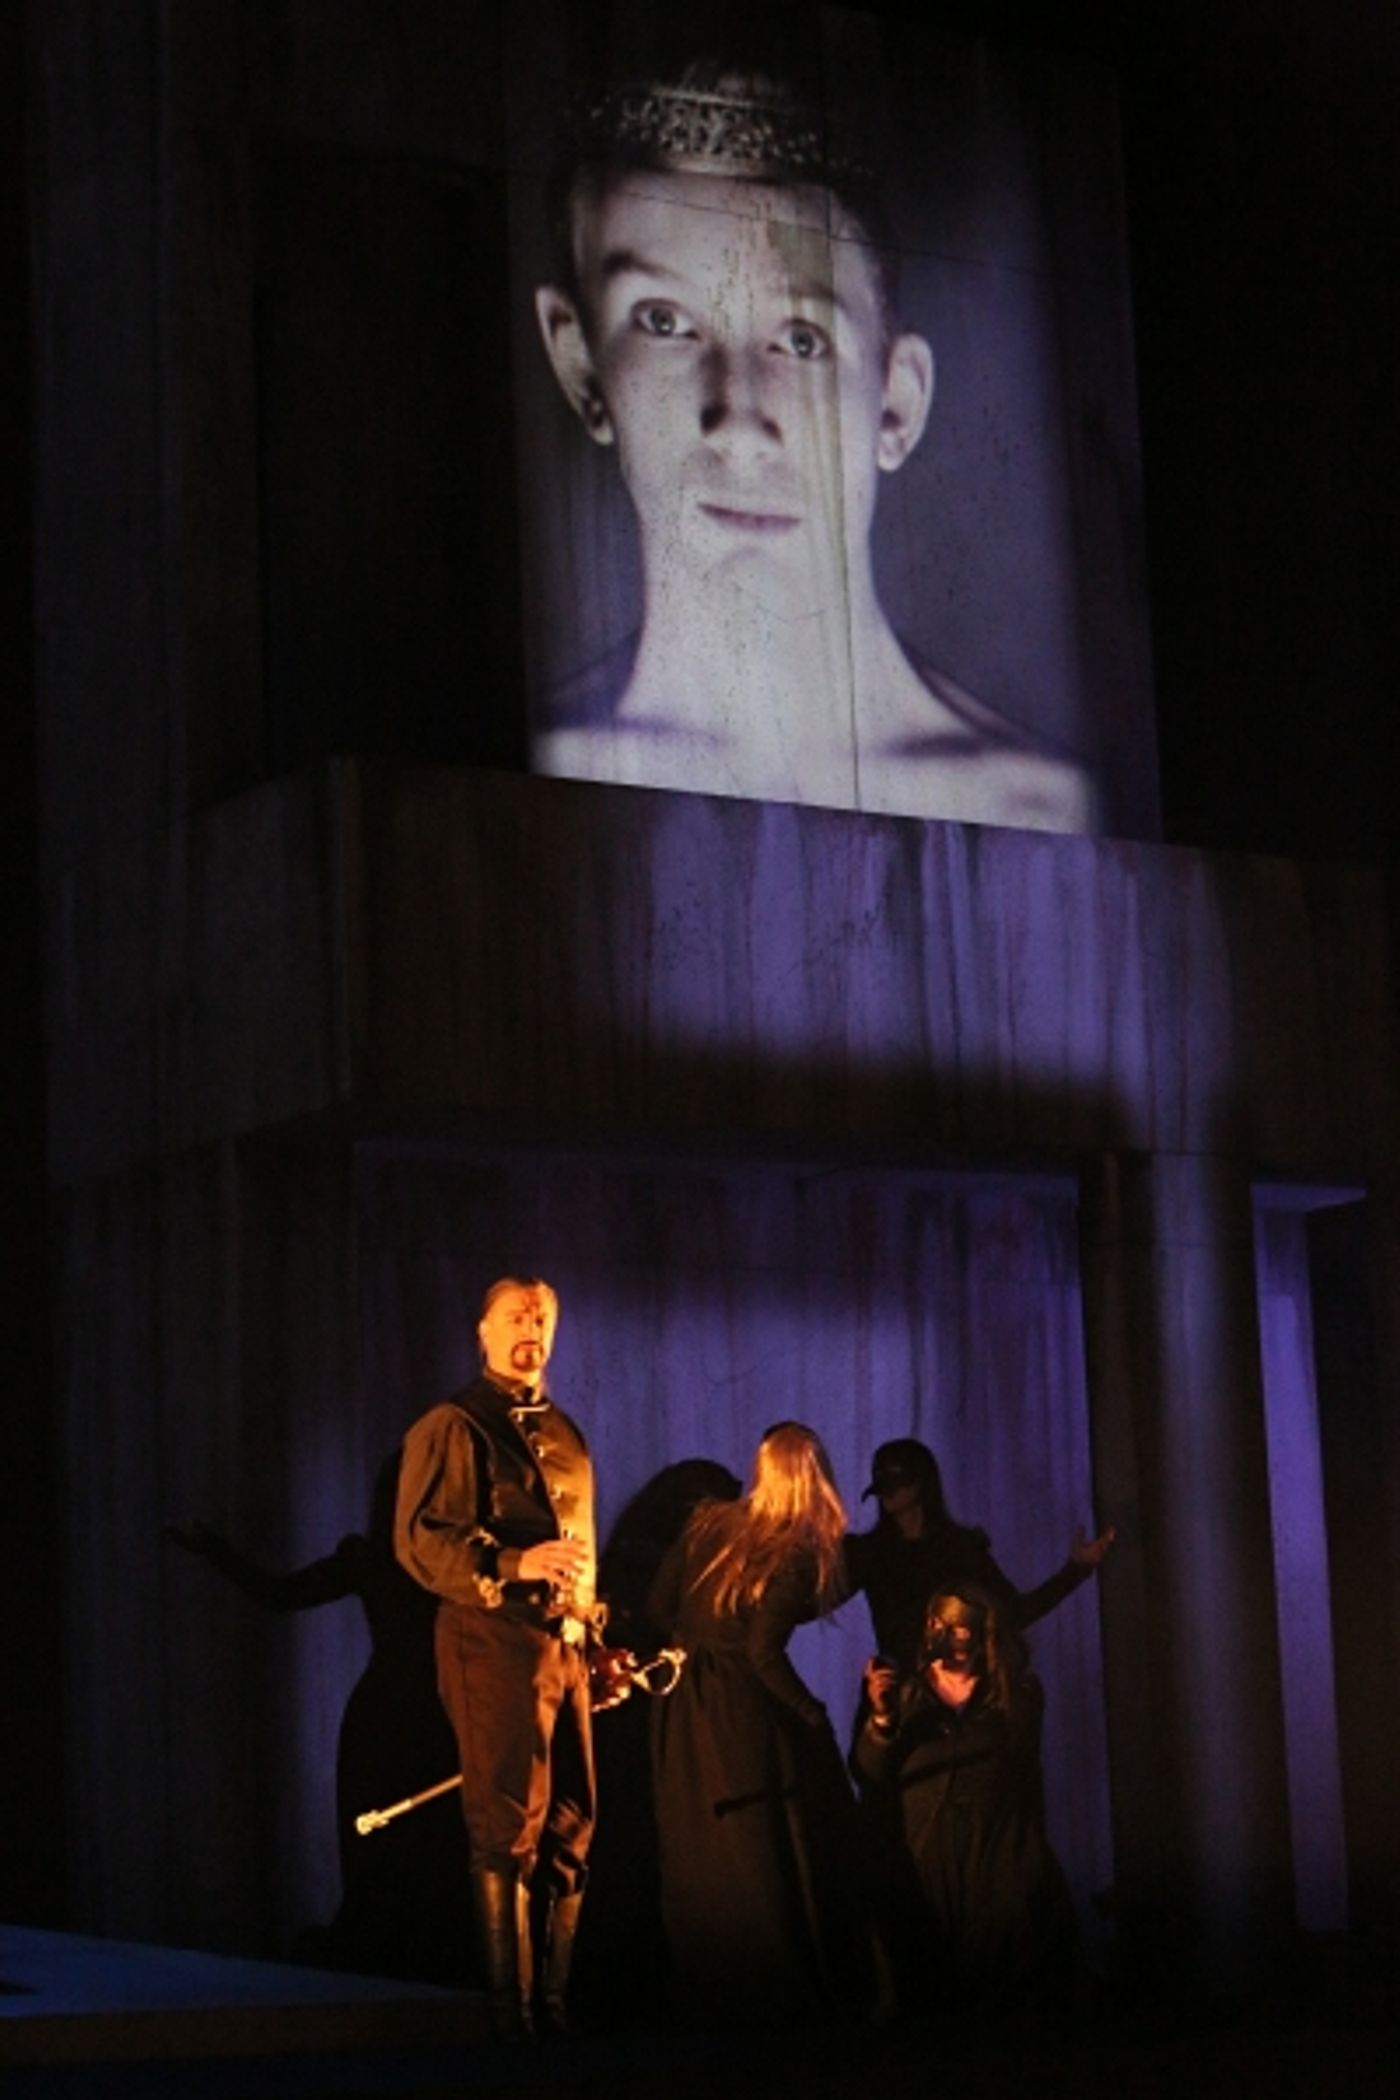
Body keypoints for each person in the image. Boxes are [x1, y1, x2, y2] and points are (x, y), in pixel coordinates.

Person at [530, 58, 1098, 832]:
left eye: (801, 339)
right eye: (664, 322)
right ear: (579, 364)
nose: (736, 419)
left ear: (898, 401)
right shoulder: (535, 786)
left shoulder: (1042, 809)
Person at [394, 1275, 597, 2038]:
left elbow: (579, 1551)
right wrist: (514, 1565)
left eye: (543, 1316)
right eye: (517, 1315)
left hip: (564, 1647)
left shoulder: (567, 1432)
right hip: (490, 1640)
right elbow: (421, 1539)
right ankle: (508, 2017)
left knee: (573, 1821)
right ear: (482, 1329)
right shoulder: (454, 1425)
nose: (532, 1327)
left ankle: (554, 2007)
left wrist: (590, 1634)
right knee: (507, 1824)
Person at [646, 1421, 871, 2028]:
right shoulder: (792, 1550)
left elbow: (660, 1607)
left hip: (681, 1699)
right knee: (761, 1842)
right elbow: (763, 1652)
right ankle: (775, 1989)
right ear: (814, 1475)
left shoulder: (707, 1525)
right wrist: (811, 1714)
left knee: (700, 1843)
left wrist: (693, 1646)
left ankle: (706, 1986)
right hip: (738, 1706)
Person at [852, 1585, 1080, 2033]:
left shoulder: (1015, 1697)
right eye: (936, 1624)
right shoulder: (904, 1695)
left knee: (1003, 1976)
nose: (943, 1636)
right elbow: (867, 1772)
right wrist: (882, 1721)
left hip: (993, 1852)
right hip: (925, 1851)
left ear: (980, 1635)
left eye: (955, 1627)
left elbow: (1023, 1773)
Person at [846, 1437, 1116, 1677]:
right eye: (884, 1484)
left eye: (896, 1482)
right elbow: (820, 1596)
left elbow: (1014, 1612)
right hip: (903, 1706)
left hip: (954, 1702)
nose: (888, 1493)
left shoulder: (960, 1549)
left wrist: (1075, 1570)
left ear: (920, 1483)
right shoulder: (871, 1553)